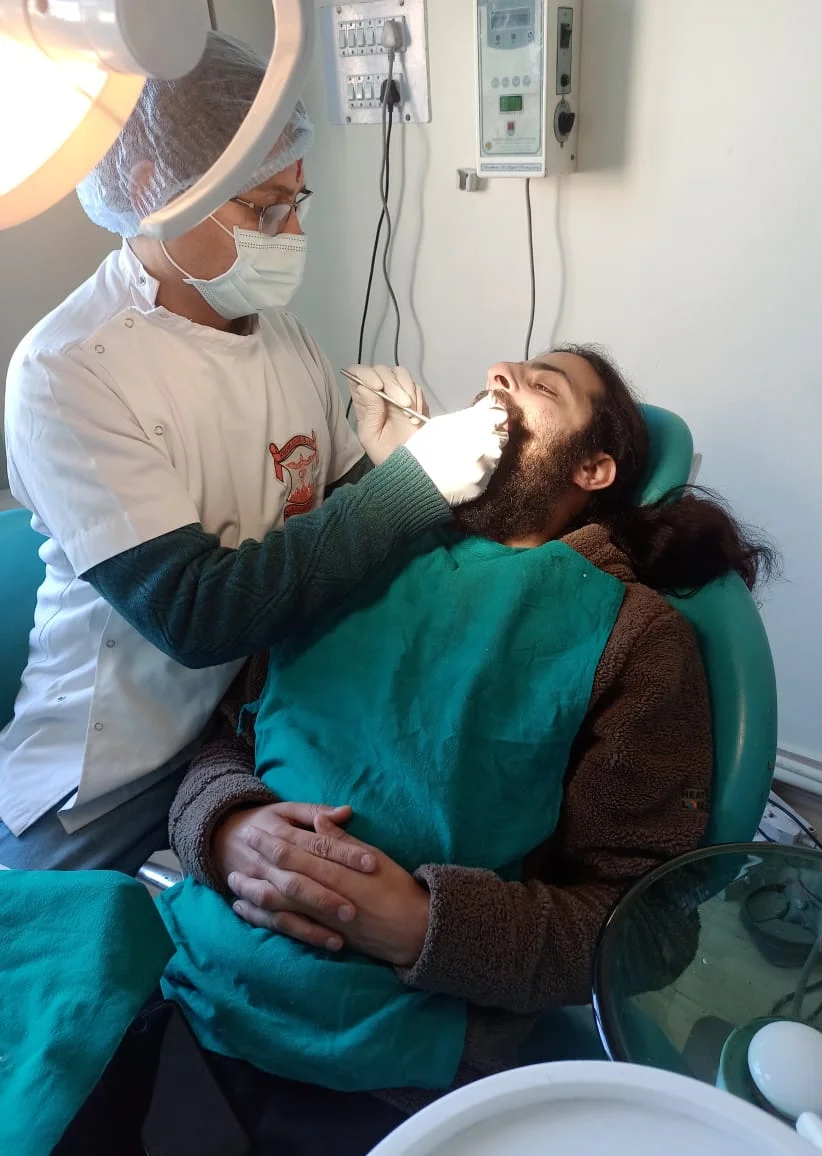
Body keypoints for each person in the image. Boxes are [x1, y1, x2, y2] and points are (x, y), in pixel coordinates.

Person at [149, 345, 776, 1154]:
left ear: (592, 469)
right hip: (188, 980)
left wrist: (424, 927)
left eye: (543, 384)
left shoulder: (632, 636)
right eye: (503, 372)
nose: (500, 376)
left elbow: (646, 927)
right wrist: (227, 829)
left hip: (391, 1074)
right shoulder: (360, 545)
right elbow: (224, 741)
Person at [0, 33, 506, 872]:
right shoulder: (67, 371)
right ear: (150, 190)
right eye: (263, 208)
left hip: (252, 728)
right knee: (68, 943)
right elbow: (199, 615)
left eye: (296, 201)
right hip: (109, 775)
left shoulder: (284, 339)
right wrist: (408, 486)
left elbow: (348, 525)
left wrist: (391, 471)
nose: (292, 232)